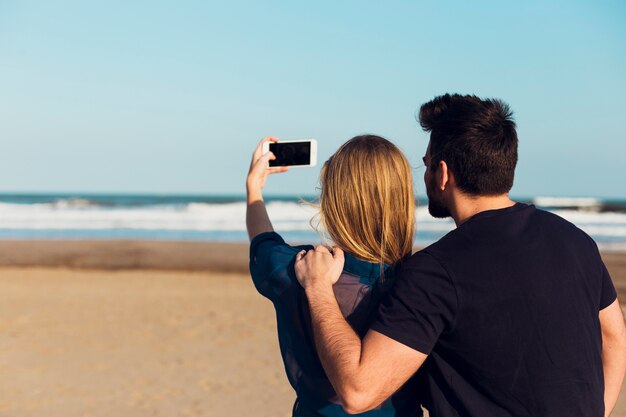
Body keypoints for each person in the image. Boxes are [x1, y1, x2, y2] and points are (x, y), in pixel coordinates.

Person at [294, 94, 626, 417]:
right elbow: (614, 338)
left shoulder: (436, 272)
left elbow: (358, 392)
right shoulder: (577, 242)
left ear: (442, 173)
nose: (423, 176)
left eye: (425, 165)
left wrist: (318, 288)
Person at [246, 135, 423, 416]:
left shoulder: (296, 268)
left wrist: (254, 188)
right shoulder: (427, 282)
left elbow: (263, 242)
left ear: (334, 201)